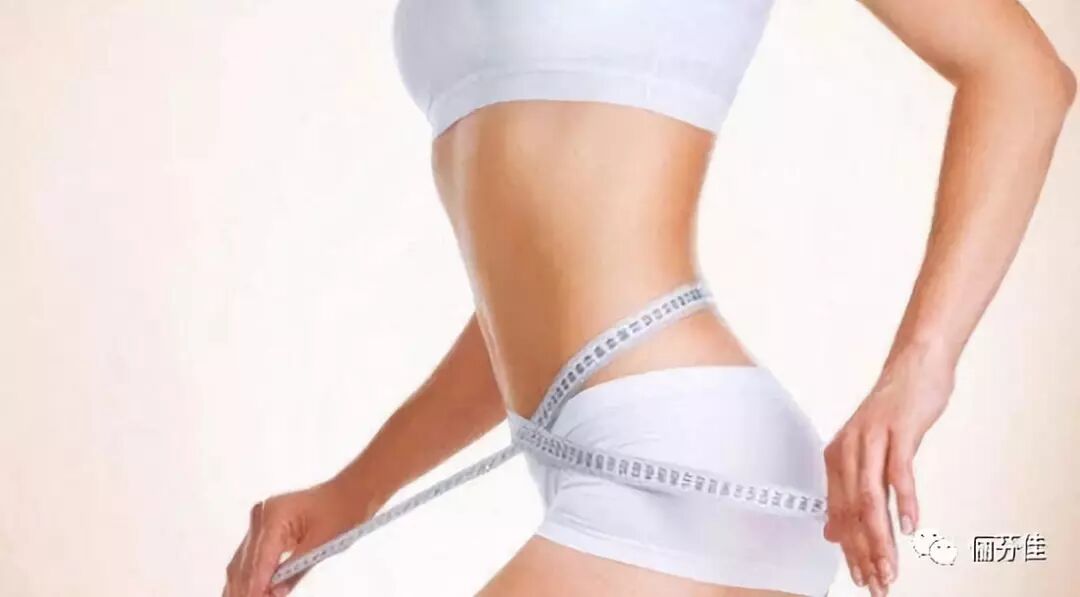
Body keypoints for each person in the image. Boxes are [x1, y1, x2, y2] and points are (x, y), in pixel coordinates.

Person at [222, 0, 1075, 596]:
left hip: (691, 474)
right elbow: (534, 292)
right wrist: (354, 491)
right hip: (600, 459)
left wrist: (920, 368)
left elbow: (1024, 75)